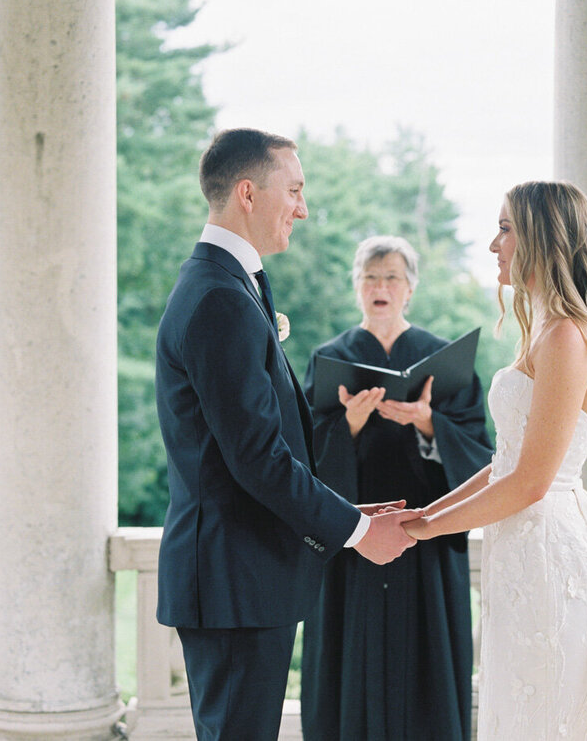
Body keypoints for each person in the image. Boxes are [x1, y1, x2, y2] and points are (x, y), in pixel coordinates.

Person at [154, 128, 418, 741]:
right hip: (233, 582)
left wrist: (343, 508)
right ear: (248, 193)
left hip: (242, 577)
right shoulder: (219, 297)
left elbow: (244, 449)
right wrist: (357, 533)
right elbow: (257, 459)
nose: (302, 208)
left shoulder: (228, 284)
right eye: (294, 191)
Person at [403, 181, 587, 741]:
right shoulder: (543, 332)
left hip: (546, 547)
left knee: (545, 711)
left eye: (506, 229)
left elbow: (533, 482)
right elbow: (505, 463)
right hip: (519, 544)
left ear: (543, 237)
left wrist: (423, 531)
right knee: (517, 703)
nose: (493, 244)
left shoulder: (568, 338)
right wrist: (425, 514)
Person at [300, 235, 494, 741]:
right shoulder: (330, 359)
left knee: (425, 658)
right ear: (356, 287)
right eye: (370, 276)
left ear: (410, 289)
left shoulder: (442, 359)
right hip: (353, 539)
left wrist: (430, 424)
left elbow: (481, 454)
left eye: (391, 277)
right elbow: (297, 459)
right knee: (349, 655)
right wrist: (351, 425)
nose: (380, 286)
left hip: (423, 536)